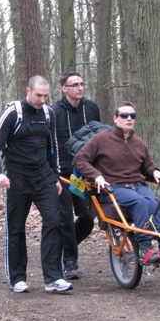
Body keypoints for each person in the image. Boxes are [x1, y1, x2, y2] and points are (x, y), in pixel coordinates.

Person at [0, 75, 72, 293]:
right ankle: (17, 278)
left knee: (54, 221)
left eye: (45, 96)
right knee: (16, 226)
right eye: (38, 95)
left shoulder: (48, 114)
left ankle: (53, 277)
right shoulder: (12, 113)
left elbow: (52, 147)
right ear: (28, 90)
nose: (42, 100)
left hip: (43, 176)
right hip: (17, 177)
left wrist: (55, 177)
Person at [73, 102, 160, 265]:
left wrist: (155, 171)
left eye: (132, 116)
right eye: (124, 115)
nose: (129, 119)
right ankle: (145, 247)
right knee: (141, 202)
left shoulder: (139, 143)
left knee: (154, 202)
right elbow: (79, 159)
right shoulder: (101, 139)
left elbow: (147, 166)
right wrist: (96, 175)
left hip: (137, 185)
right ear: (115, 118)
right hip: (113, 188)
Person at [52, 72, 101, 280]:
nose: (80, 88)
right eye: (74, 85)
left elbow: (99, 138)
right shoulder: (54, 112)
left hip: (83, 174)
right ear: (64, 88)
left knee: (88, 218)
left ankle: (64, 247)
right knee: (64, 217)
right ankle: (69, 260)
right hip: (62, 172)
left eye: (82, 84)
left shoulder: (91, 108)